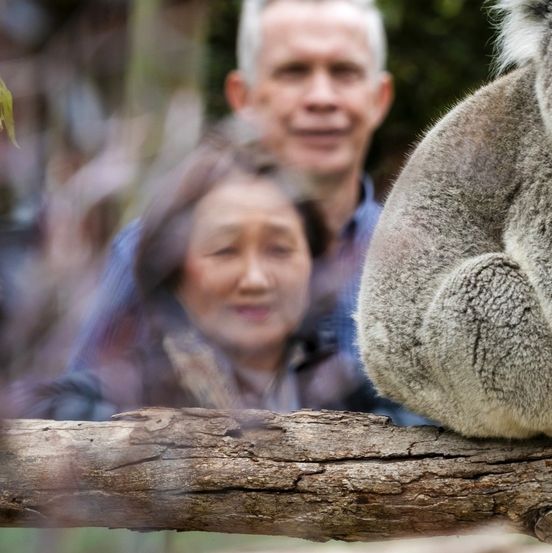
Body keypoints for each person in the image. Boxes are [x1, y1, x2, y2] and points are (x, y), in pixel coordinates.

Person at [64, 0, 414, 419]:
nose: (322, 97)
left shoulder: (419, 261)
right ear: (242, 97)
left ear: (379, 97)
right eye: (293, 71)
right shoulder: (150, 249)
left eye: (345, 72)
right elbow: (73, 421)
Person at [24, 134, 373, 418]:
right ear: (173, 270)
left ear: (313, 262)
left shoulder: (355, 394)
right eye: (225, 250)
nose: (255, 280)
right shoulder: (120, 396)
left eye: (280, 249)